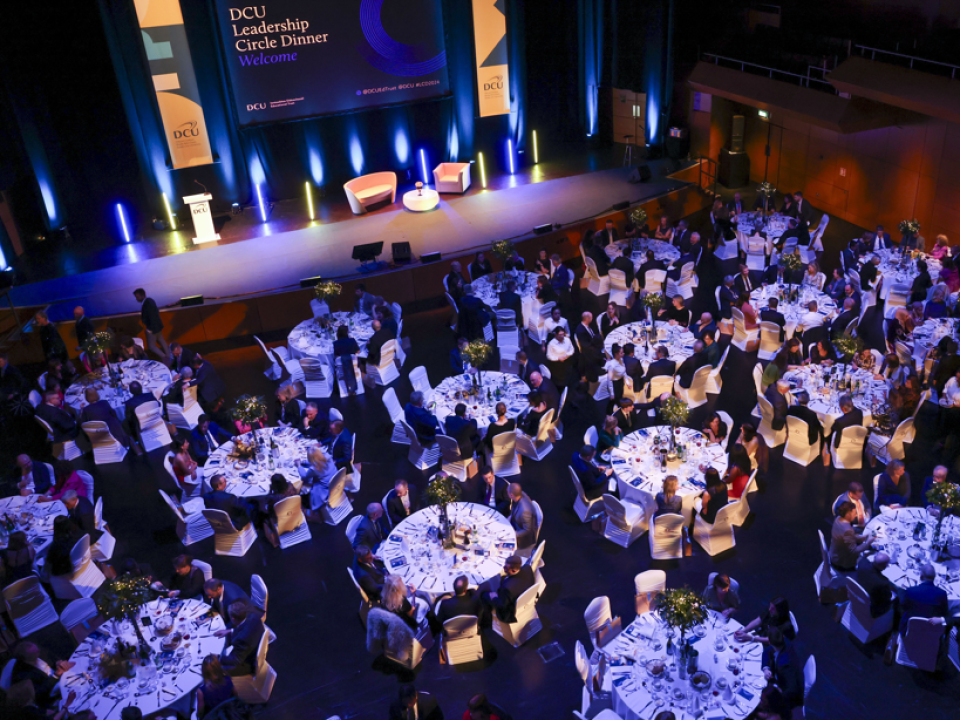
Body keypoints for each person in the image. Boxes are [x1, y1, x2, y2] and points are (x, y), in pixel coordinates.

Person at [216, 601, 265, 677]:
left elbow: (236, 660)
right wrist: (230, 631)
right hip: (254, 641)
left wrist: (218, 658)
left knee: (217, 669)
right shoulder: (253, 615)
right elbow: (244, 627)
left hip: (248, 661)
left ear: (233, 618)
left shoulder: (242, 639)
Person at [899, 563, 949, 634]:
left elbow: (903, 607)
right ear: (934, 577)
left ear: (921, 576)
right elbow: (944, 613)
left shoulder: (910, 591)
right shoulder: (942, 593)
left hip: (910, 630)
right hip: (931, 632)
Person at [761, 627, 804, 710]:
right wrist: (766, 669)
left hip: (787, 694)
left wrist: (778, 692)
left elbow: (792, 689)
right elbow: (766, 652)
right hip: (782, 678)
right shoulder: (785, 641)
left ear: (769, 642)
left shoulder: (784, 665)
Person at [483, 555, 535, 623]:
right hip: (521, 593)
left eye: (506, 568)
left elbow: (501, 605)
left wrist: (494, 597)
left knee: (484, 595)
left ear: (514, 570)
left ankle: (485, 619)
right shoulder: (527, 567)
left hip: (507, 613)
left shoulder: (507, 588)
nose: (503, 568)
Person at [829, 501, 874, 570]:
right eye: (855, 513)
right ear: (847, 514)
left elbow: (846, 538)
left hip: (835, 554)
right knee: (871, 563)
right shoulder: (847, 530)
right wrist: (868, 542)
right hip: (842, 563)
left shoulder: (838, 519)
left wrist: (862, 538)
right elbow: (854, 551)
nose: (856, 515)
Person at [133, 288, 170, 362]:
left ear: (142, 296)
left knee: (151, 346)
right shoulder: (150, 301)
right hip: (158, 326)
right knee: (161, 340)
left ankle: (165, 357)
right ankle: (169, 356)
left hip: (152, 328)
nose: (136, 299)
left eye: (137, 297)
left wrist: (150, 329)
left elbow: (152, 317)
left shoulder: (147, 304)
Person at [856, 553, 894, 619]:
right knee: (897, 598)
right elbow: (888, 596)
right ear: (884, 567)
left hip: (858, 594)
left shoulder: (862, 563)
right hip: (873, 608)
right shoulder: (883, 582)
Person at [575, 312, 605, 390]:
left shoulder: (587, 326)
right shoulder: (580, 330)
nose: (592, 319)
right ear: (587, 319)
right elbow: (585, 346)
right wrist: (597, 349)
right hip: (588, 353)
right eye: (591, 318)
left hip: (592, 346)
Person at [507, 483, 536, 550]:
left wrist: (514, 534)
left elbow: (527, 530)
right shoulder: (520, 494)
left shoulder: (524, 511)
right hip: (516, 522)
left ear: (511, 495)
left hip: (523, 538)